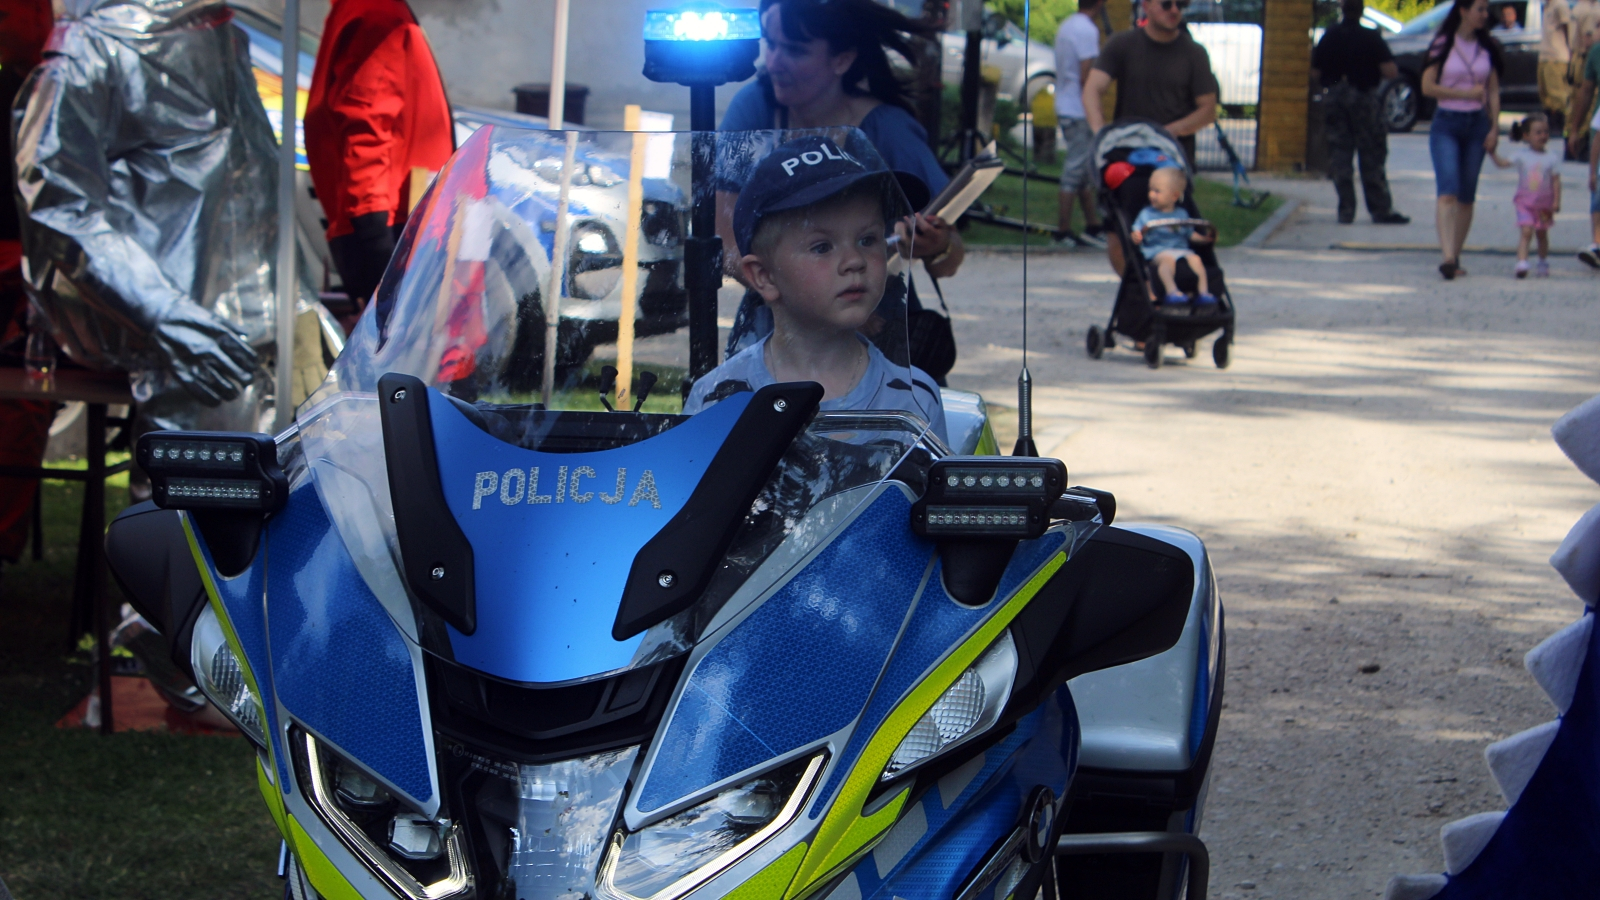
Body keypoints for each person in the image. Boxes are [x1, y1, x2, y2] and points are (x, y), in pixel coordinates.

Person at [14, 0, 277, 436]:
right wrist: (162, 313)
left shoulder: (221, 34)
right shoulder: (92, 48)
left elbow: (254, 176)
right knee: (190, 472)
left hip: (246, 324)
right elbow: (59, 204)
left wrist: (296, 302)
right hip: (171, 332)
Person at [717, 0, 964, 377]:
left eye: (794, 50)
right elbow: (724, 233)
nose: (773, 62)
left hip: (877, 333)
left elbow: (950, 258)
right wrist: (801, 301)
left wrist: (938, 245)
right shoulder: (755, 106)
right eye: (771, 44)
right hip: (774, 328)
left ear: (843, 60)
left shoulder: (888, 128)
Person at [685, 136, 948, 445]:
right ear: (765, 276)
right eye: (822, 247)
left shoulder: (914, 401)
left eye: (867, 240)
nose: (854, 261)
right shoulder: (717, 399)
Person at [305, 0, 455, 308]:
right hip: (392, 223)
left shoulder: (372, 10)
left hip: (392, 216)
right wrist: (375, 241)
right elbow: (366, 130)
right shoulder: (377, 13)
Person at [1082, 0, 1218, 275]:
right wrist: (1101, 135)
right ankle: (1136, 288)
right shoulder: (1122, 45)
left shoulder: (1193, 53)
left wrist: (1170, 132)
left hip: (1170, 160)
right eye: (1166, 3)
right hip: (1126, 158)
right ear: (1146, 5)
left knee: (1174, 230)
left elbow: (1207, 109)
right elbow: (1093, 89)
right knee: (1118, 233)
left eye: (1181, 3)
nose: (1175, 10)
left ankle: (1174, 285)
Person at [0, 0, 54, 577]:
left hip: (28, 268)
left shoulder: (52, 85)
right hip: (20, 261)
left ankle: (3, 538)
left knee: (24, 398)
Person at [1311, 0, 1412, 225]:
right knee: (1372, 153)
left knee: (1340, 154)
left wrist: (1334, 81)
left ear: (1342, 8)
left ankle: (1346, 209)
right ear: (1362, 10)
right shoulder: (1371, 37)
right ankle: (1380, 208)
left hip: (1335, 98)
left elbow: (1316, 72)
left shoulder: (1329, 36)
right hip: (1364, 97)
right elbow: (1390, 71)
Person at [1421, 0, 1502, 280]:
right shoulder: (1443, 44)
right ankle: (1446, 256)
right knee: (1448, 190)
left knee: (1467, 196)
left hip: (1477, 124)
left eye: (1486, 10)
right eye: (1479, 9)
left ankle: (1455, 255)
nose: (1484, 15)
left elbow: (1493, 90)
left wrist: (1494, 127)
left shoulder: (1487, 46)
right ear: (1463, 11)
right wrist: (1464, 95)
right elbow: (1427, 86)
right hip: (1447, 122)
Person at [1054, 0, 1107, 247]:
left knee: (1085, 170)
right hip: (1079, 108)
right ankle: (1063, 230)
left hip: (1065, 103)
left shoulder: (1067, 25)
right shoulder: (1088, 30)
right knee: (1075, 170)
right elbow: (1087, 75)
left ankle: (1092, 225)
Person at [1131, 168, 1216, 309]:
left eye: (1157, 191)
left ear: (1174, 196)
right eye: (1150, 190)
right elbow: (1137, 229)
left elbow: (1189, 234)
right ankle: (1172, 291)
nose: (1151, 195)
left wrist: (1203, 239)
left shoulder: (1181, 214)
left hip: (1180, 249)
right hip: (1157, 250)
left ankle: (1204, 292)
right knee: (1167, 260)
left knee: (1196, 259)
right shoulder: (1147, 214)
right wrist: (1136, 235)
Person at [1490, 113, 1562, 277]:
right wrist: (1492, 153)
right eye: (1538, 132)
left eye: (1545, 132)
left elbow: (1556, 181)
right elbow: (1503, 164)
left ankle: (1542, 261)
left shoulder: (1552, 158)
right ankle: (1522, 262)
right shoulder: (1521, 155)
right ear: (1526, 136)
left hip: (1544, 204)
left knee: (1542, 234)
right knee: (1526, 232)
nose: (1543, 136)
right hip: (1525, 203)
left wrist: (1556, 201)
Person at [1540, 0, 1574, 134]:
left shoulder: (1560, 4)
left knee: (1558, 95)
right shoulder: (1546, 5)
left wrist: (1571, 52)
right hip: (1545, 56)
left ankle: (1561, 126)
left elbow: (1568, 28)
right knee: (1545, 95)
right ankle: (1551, 123)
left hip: (1556, 57)